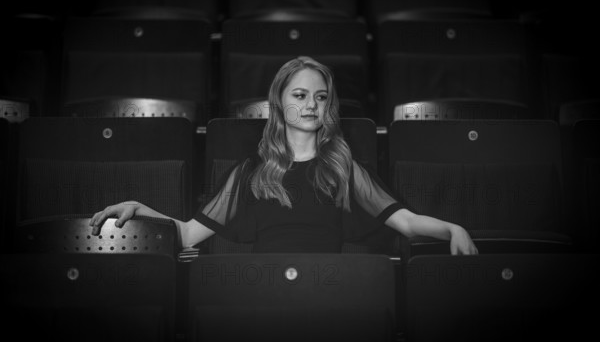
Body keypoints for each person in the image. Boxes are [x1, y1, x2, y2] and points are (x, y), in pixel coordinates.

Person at [90, 56, 478, 255]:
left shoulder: (343, 170)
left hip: (329, 288)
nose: (312, 105)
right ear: (279, 102)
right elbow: (190, 234)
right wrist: (140, 207)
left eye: (321, 97)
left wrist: (454, 229)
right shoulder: (250, 173)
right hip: (265, 287)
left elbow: (407, 222)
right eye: (300, 95)